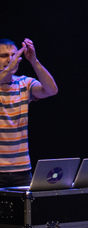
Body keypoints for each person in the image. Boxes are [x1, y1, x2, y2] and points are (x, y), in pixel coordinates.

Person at [0, 38, 58, 188]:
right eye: (4, 56)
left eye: (14, 55)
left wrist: (34, 61)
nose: (10, 60)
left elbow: (52, 90)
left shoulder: (23, 83)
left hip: (22, 170)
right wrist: (7, 70)